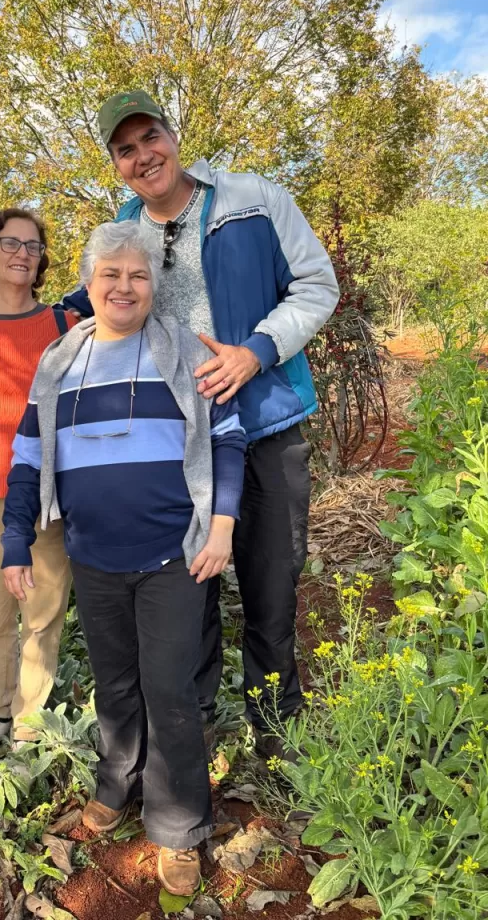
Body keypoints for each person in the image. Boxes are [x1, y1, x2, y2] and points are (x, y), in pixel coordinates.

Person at [62, 91, 340, 756]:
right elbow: (106, 303)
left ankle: (275, 728)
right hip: (173, 443)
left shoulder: (254, 200)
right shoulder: (122, 227)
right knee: (187, 588)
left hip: (263, 424)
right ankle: (196, 726)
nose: (143, 156)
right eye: (125, 149)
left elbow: (316, 286)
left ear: (172, 134)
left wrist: (255, 352)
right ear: (115, 163)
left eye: (150, 137)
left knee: (271, 582)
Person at [2, 222, 247, 896]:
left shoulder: (185, 351)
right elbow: (27, 456)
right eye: (110, 274)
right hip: (93, 556)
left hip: (175, 556)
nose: (124, 286)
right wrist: (15, 537)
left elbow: (227, 438)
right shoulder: (59, 361)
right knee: (114, 684)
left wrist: (221, 528)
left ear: (154, 286)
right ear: (88, 283)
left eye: (138, 275)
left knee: (169, 690)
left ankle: (179, 824)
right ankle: (118, 783)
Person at [0, 208, 76, 757]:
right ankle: (0, 711)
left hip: (49, 493)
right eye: (9, 243)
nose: (22, 254)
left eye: (32, 245)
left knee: (43, 615)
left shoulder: (66, 326)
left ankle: (29, 726)